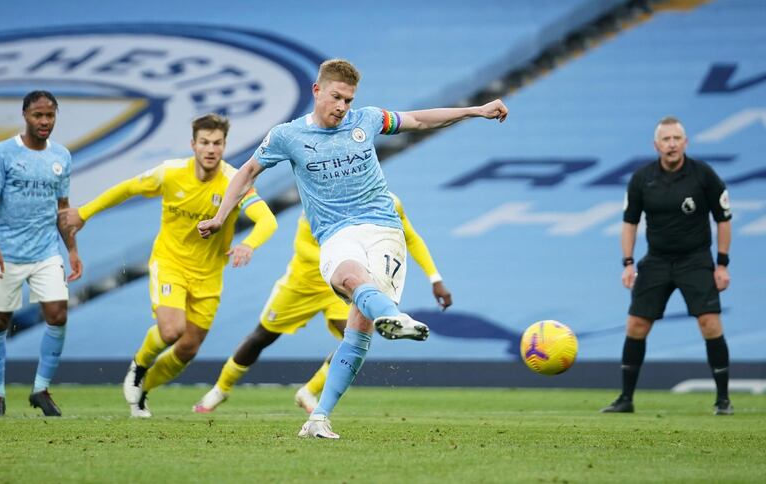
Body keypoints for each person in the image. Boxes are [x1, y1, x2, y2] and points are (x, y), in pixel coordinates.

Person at [197, 58, 508, 438]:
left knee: (359, 329)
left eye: (348, 99)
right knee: (348, 275)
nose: (342, 106)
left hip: (383, 229)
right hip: (336, 233)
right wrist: (220, 216)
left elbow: (421, 120)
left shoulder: (367, 120)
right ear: (317, 91)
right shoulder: (288, 136)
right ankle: (394, 316)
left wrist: (475, 111)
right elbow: (246, 172)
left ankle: (318, 418)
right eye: (336, 97)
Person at [59, 114, 277, 418]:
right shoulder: (170, 173)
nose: (211, 149)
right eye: (204, 142)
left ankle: (143, 390)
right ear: (193, 144)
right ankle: (140, 364)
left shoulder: (233, 181)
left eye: (217, 143)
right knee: (172, 330)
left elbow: (267, 220)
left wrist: (248, 244)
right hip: (170, 263)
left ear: (225, 145)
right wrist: (85, 212)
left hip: (209, 276)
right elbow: (128, 188)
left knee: (188, 348)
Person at [192, 192, 453, 414]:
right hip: (302, 284)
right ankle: (220, 389)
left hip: (344, 286)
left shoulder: (389, 202)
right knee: (261, 337)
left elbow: (410, 238)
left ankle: (309, 392)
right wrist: (347, 255)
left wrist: (435, 277)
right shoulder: (321, 203)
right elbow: (303, 247)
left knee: (352, 339)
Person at [601, 116, 733, 416]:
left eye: (676, 139)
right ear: (656, 145)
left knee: (710, 324)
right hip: (657, 260)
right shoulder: (642, 178)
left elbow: (724, 219)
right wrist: (628, 262)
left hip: (696, 259)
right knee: (636, 325)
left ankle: (723, 400)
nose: (671, 144)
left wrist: (722, 264)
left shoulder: (703, 175)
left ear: (686, 142)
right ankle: (625, 398)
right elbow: (630, 222)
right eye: (666, 139)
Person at [0, 90, 82, 417]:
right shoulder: (3, 152)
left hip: (45, 251)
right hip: (7, 252)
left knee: (58, 315)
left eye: (50, 116)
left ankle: (40, 389)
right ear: (25, 116)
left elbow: (63, 208)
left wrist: (72, 250)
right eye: (38, 115)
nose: (44, 122)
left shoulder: (61, 156)